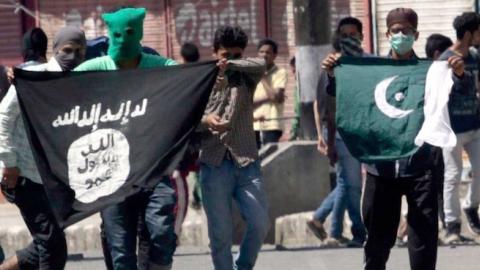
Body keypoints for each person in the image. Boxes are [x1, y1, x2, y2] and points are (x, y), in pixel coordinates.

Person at [74, 7, 178, 270]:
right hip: (110, 173)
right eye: (118, 34)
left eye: (129, 33)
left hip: (153, 168)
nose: (123, 39)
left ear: (139, 34)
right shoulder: (96, 67)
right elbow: (60, 84)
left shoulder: (157, 66)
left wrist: (214, 70)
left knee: (162, 232)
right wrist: (24, 79)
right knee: (120, 250)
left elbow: (188, 78)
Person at [0, 26, 87, 270]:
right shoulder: (32, 78)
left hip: (50, 178)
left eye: (80, 51)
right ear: (55, 50)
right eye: (68, 50)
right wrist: (9, 162)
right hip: (21, 174)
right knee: (51, 242)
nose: (73, 56)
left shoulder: (80, 82)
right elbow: (4, 117)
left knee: (46, 243)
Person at [199, 25, 270, 270]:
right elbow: (186, 120)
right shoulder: (201, 81)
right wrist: (206, 121)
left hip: (246, 161)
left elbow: (261, 63)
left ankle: (245, 265)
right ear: (214, 53)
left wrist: (232, 64)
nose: (230, 59)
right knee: (220, 235)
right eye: (225, 55)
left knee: (260, 223)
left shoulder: (246, 76)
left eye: (236, 55)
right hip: (213, 162)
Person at [307, 17, 367, 247]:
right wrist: (325, 138)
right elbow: (322, 104)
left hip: (369, 133)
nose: (349, 39)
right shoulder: (332, 67)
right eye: (344, 35)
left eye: (353, 34)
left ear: (361, 36)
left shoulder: (371, 63)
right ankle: (357, 231)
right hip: (342, 134)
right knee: (350, 184)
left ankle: (328, 226)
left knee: (348, 183)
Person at [438, 12, 480, 244]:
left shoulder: (475, 56)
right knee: (452, 176)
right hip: (452, 130)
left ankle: (471, 207)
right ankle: (451, 225)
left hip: (475, 125)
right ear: (468, 34)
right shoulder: (445, 59)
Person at [253, 38, 287, 148]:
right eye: (261, 52)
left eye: (268, 52)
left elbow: (275, 97)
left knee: (269, 157)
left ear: (275, 55)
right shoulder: (251, 74)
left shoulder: (280, 73)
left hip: (272, 124)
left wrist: (262, 77)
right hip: (253, 124)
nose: (264, 55)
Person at [288, 57, 301, 140]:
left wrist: (292, 133)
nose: (293, 72)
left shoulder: (300, 87)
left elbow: (298, 112)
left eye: (295, 70)